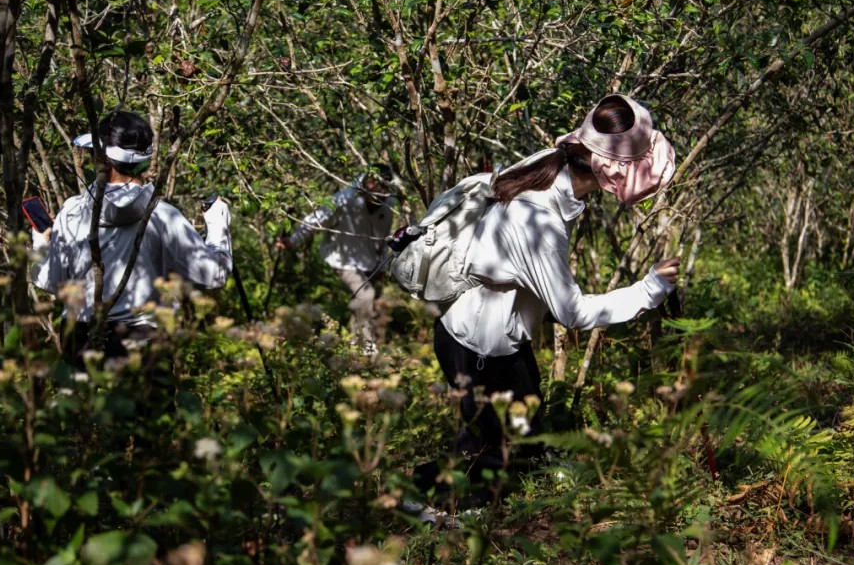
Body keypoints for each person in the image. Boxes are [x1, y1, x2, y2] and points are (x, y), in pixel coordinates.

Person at [416, 93, 679, 508]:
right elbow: (571, 313)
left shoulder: (550, 162)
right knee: (482, 452)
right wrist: (650, 289)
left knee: (527, 414)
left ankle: (531, 466)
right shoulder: (538, 223)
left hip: (502, 336)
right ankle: (426, 501)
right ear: (612, 171)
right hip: (475, 346)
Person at [32, 111, 232, 359]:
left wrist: (41, 241)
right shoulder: (163, 217)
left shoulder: (73, 211)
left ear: (101, 159)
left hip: (80, 343)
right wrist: (217, 222)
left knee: (80, 398)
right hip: (143, 346)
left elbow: (48, 281)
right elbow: (214, 275)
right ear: (146, 162)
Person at [275, 165, 396, 354]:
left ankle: (354, 349)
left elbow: (383, 236)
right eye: (373, 183)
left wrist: (382, 265)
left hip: (370, 262)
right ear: (366, 183)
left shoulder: (389, 206)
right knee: (366, 295)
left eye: (382, 185)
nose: (378, 189)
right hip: (343, 259)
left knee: (363, 304)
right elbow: (315, 220)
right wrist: (292, 241)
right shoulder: (344, 201)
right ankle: (369, 351)